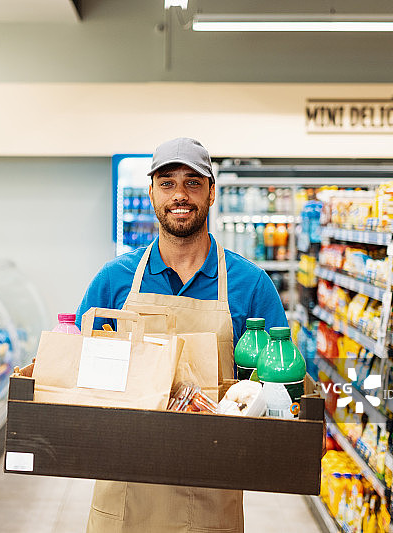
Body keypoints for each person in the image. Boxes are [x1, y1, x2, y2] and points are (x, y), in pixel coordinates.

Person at [75, 137, 288, 533]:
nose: (180, 195)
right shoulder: (113, 280)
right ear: (152, 192)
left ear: (211, 192)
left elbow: (277, 393)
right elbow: (80, 376)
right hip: (125, 490)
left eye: (193, 182)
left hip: (211, 489)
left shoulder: (251, 285)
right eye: (168, 182)